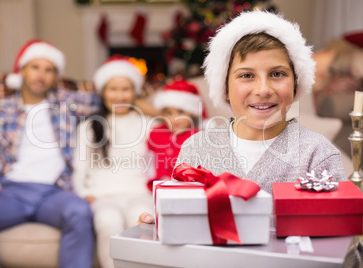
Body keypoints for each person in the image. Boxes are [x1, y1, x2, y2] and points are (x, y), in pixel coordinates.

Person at [139, 10, 346, 224]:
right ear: (225, 88)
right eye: (246, 75)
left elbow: (345, 242)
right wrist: (159, 230)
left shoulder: (318, 153)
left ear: (295, 84)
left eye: (277, 74)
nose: (263, 89)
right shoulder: (196, 148)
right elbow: (180, 223)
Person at [0, 39, 99, 267]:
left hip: (55, 192)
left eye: (49, 70)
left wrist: (163, 108)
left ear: (55, 77)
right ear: (22, 70)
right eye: (35, 67)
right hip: (7, 192)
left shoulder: (68, 103)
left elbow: (116, 96)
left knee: (79, 211)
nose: (41, 75)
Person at [72, 55, 154, 268]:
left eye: (125, 89)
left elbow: (155, 164)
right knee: (108, 221)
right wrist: (82, 192)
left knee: (142, 219)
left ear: (135, 92)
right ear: (103, 93)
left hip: (139, 192)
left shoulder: (149, 125)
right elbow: (79, 168)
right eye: (113, 89)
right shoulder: (89, 127)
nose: (119, 95)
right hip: (102, 195)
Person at [146, 79, 201, 191]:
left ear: (191, 113)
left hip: (186, 187)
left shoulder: (195, 136)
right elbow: (148, 160)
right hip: (159, 186)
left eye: (180, 112)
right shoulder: (156, 133)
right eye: (169, 113)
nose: (174, 118)